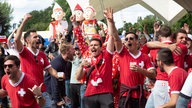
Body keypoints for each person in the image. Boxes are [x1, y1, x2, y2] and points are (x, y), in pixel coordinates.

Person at [106, 8, 156, 108]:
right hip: (125, 94)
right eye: (126, 39)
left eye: (131, 38)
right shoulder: (123, 53)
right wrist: (111, 22)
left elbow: (153, 74)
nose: (128, 40)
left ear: (137, 41)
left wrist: (140, 70)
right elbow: (116, 37)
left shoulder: (145, 57)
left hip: (140, 94)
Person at [14, 13, 61, 108]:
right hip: (28, 92)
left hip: (42, 92)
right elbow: (16, 40)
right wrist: (24, 21)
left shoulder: (42, 54)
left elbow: (50, 69)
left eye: (38, 37)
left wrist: (58, 75)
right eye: (35, 37)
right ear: (27, 40)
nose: (38, 38)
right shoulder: (24, 51)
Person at [72, 7, 115, 108]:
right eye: (91, 45)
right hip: (89, 94)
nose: (93, 47)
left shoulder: (107, 54)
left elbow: (111, 36)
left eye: (96, 45)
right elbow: (78, 78)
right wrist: (81, 65)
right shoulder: (86, 55)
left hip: (105, 93)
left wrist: (110, 21)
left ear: (101, 47)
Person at [50, 43, 73, 108]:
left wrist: (64, 95)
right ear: (67, 52)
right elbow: (54, 82)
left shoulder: (64, 62)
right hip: (52, 96)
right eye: (72, 50)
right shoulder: (58, 63)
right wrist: (57, 100)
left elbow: (61, 81)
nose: (74, 52)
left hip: (56, 95)